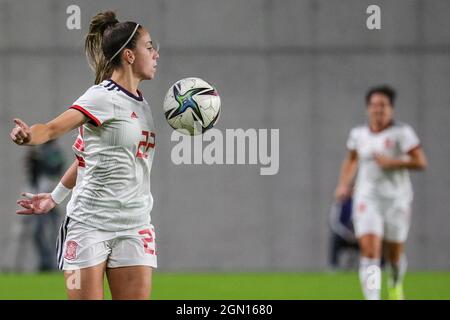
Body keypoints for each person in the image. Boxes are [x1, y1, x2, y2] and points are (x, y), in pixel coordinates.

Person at [11, 11, 159, 300]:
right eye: (149, 46)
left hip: (135, 225)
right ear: (129, 55)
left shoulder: (143, 106)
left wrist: (53, 197)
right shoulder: (101, 97)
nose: (156, 53)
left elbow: (85, 161)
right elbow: (52, 128)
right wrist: (30, 136)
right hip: (89, 226)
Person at [334, 85, 427, 300]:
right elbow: (351, 159)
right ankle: (373, 296)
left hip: (397, 200)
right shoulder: (359, 134)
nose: (378, 110)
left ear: (391, 109)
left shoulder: (402, 133)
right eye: (374, 105)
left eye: (383, 106)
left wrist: (392, 162)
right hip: (367, 198)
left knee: (394, 255)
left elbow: (421, 162)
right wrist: (343, 184)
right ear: (368, 108)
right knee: (370, 251)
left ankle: (395, 286)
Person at [25, 141, 65, 271]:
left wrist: (41, 160)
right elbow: (31, 174)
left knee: (55, 231)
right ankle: (45, 261)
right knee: (37, 232)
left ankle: (55, 263)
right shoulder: (37, 152)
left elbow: (56, 168)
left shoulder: (53, 151)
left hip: (52, 194)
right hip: (37, 193)